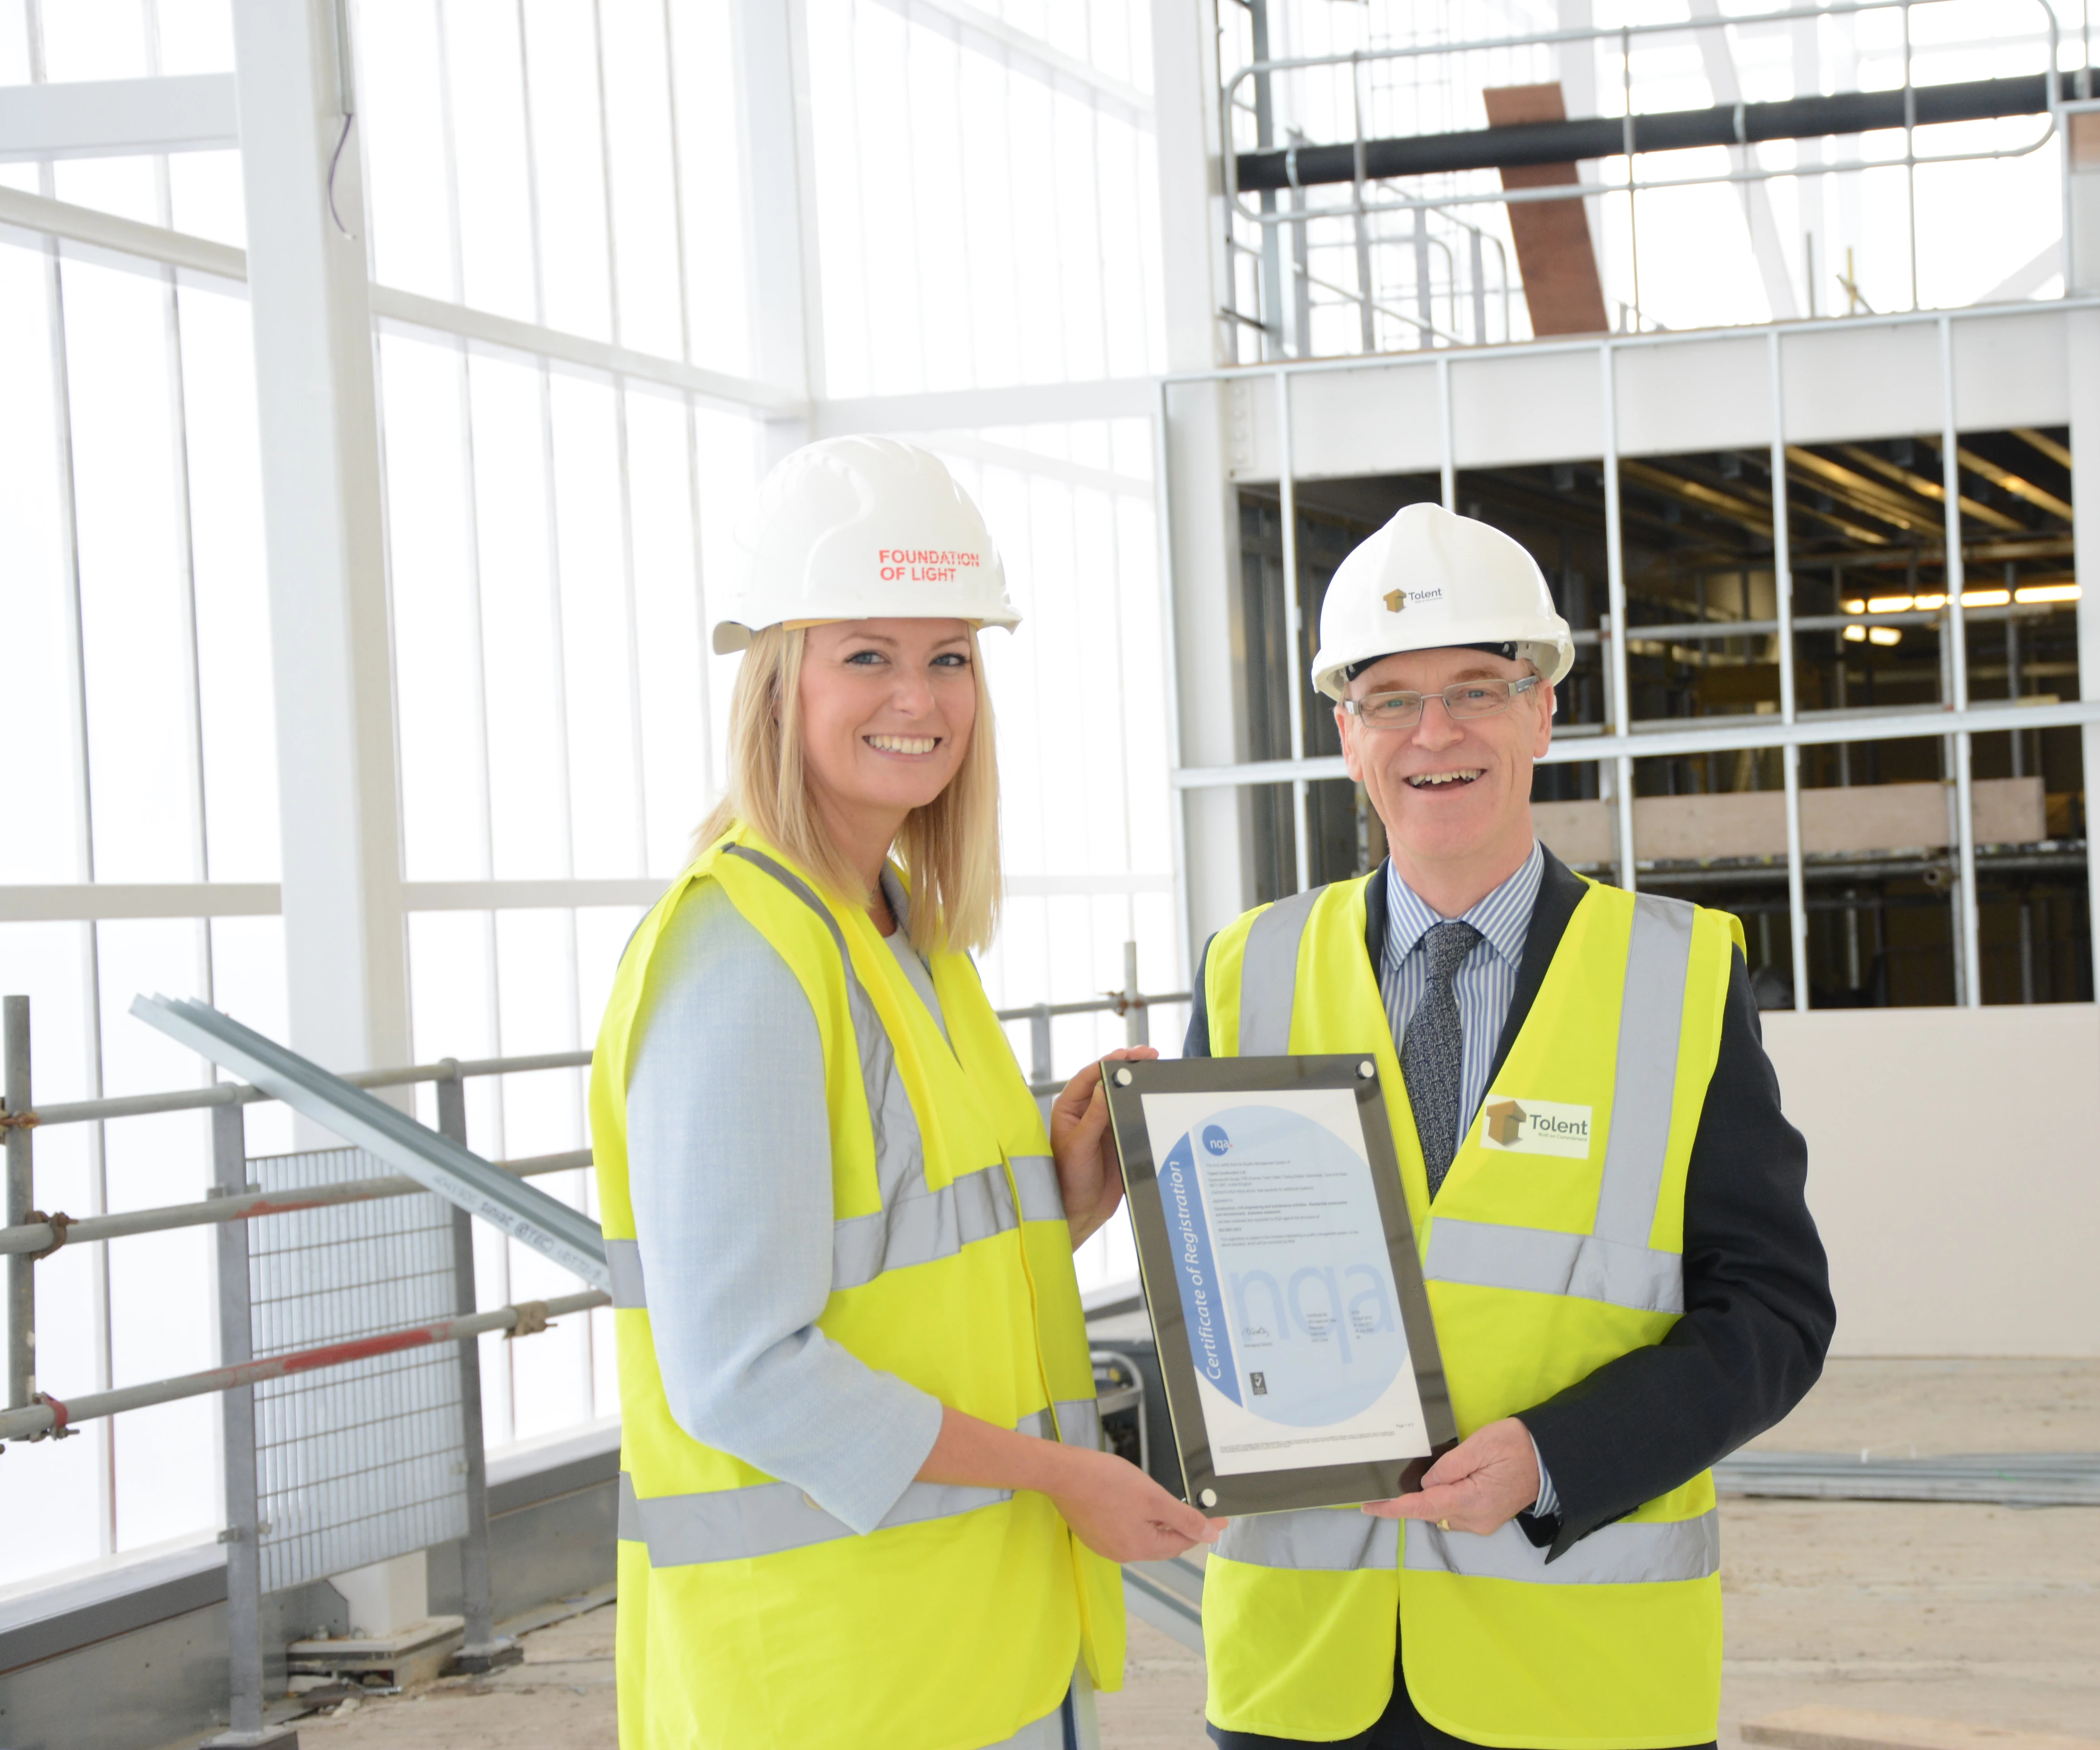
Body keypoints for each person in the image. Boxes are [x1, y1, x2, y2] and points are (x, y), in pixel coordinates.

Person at [590, 437, 1221, 1750]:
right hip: (832, 1681)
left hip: (973, 1648)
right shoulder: (742, 954)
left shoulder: (905, 936)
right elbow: (743, 1373)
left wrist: (1065, 1203)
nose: (918, 699)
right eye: (867, 654)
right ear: (778, 679)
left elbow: (903, 1281)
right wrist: (1067, 1475)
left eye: (950, 658)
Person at [1184, 504, 1835, 1750]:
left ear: (1543, 713)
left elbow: (1773, 1314)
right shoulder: (1247, 971)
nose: (1435, 734)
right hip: (1301, 1672)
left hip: (1575, 1676)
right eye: (1391, 700)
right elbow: (1204, 1292)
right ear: (1347, 736)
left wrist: (1556, 1458)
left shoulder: (1675, 976)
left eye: (1477, 691)